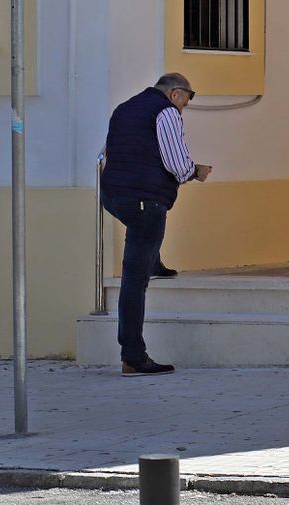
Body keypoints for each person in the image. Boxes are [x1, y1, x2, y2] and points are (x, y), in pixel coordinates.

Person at [99, 73, 212, 377]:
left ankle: (155, 261)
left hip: (113, 196)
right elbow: (175, 162)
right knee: (134, 281)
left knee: (145, 229)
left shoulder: (124, 108)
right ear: (176, 94)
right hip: (143, 200)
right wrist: (195, 171)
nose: (184, 108)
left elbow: (107, 153)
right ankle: (133, 356)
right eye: (186, 101)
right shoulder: (166, 112)